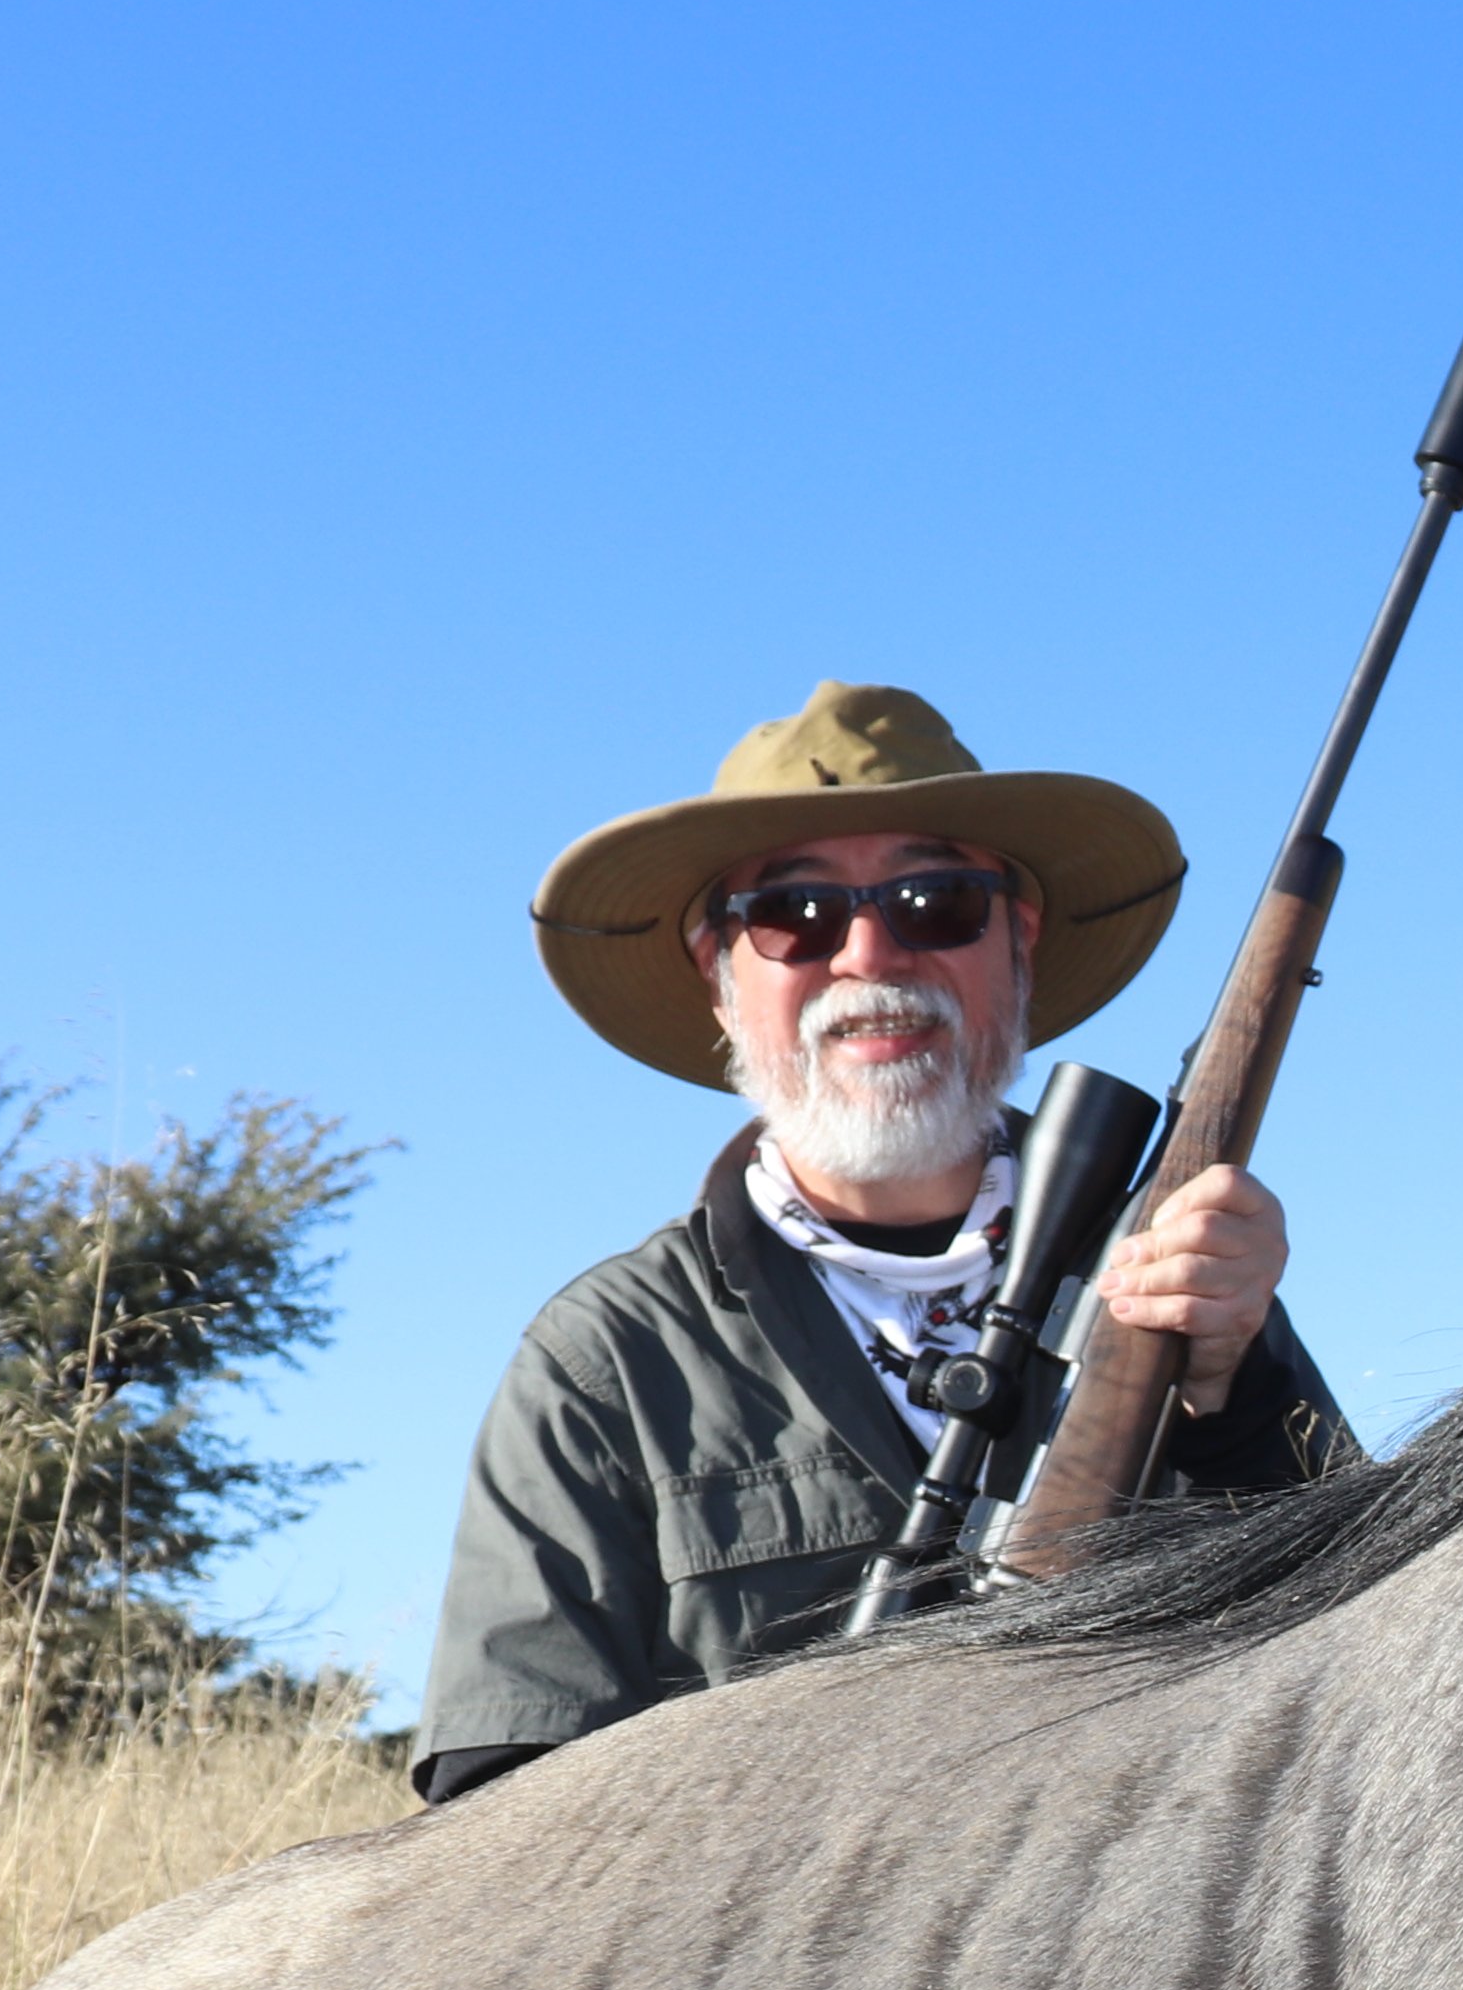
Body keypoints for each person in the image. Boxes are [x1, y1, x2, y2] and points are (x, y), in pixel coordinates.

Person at [411, 681, 1351, 1800]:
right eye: (795, 915)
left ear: (1020, 942)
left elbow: (1366, 1647)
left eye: (937, 902)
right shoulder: (605, 1355)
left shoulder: (1172, 1278)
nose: (868, 955)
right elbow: (497, 1803)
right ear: (718, 972)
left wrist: (1236, 1390)